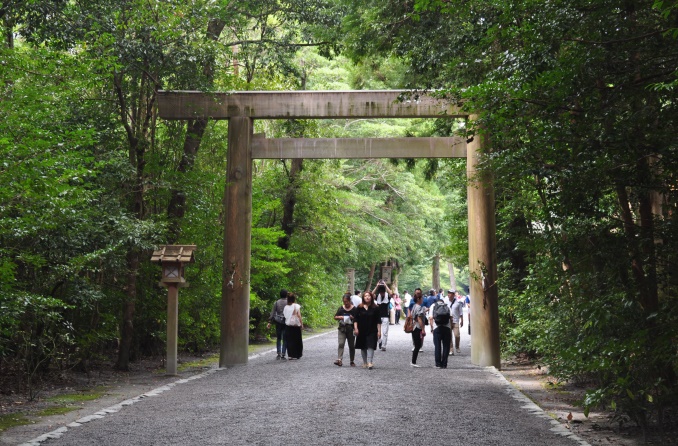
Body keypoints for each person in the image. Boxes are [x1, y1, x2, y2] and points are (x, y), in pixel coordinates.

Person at [353, 291, 381, 370]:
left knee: (371, 345)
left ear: (371, 297)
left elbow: (378, 320)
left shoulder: (376, 308)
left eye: (369, 296)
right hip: (361, 329)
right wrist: (356, 328)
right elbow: (355, 319)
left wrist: (379, 331)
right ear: (363, 298)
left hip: (372, 329)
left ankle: (370, 362)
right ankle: (364, 362)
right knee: (363, 346)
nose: (367, 297)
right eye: (365, 296)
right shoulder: (359, 307)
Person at [429, 293, 452, 368]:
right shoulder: (447, 306)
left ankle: (438, 364)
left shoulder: (433, 306)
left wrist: (432, 328)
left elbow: (431, 318)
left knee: (437, 346)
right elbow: (451, 318)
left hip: (437, 328)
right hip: (447, 328)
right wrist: (450, 328)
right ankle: (444, 364)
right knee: (446, 346)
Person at [334, 293, 357, 367]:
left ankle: (352, 360)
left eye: (347, 301)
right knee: (341, 343)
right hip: (342, 328)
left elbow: (357, 319)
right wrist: (341, 317)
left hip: (351, 328)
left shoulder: (354, 309)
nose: (346, 303)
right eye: (344, 301)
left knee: (351, 345)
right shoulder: (341, 308)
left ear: (350, 300)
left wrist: (352, 318)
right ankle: (339, 359)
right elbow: (335, 317)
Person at [266, 289, 288, 359]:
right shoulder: (289, 302)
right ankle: (283, 353)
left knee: (279, 338)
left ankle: (279, 352)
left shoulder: (276, 302)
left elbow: (272, 313)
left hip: (278, 321)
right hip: (286, 322)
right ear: (286, 295)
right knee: (285, 338)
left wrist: (269, 322)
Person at [372, 280, 393, 351]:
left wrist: (385, 285)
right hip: (377, 316)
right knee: (376, 332)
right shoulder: (377, 296)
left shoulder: (388, 296)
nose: (381, 294)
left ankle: (384, 345)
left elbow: (391, 293)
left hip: (385, 316)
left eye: (383, 292)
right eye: (380, 292)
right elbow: (371, 294)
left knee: (385, 332)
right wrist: (377, 286)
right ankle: (380, 341)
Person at [283, 293, 303, 360]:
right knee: (297, 340)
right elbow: (299, 315)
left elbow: (285, 316)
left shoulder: (285, 307)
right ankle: (297, 354)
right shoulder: (296, 306)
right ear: (294, 299)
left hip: (288, 325)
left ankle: (290, 355)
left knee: (289, 341)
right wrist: (301, 324)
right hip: (296, 326)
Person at [409, 290, 427, 367]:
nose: (422, 300)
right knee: (418, 345)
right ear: (419, 299)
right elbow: (419, 318)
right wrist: (423, 329)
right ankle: (413, 362)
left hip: (413, 326)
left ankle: (413, 361)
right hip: (417, 327)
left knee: (417, 345)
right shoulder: (419, 307)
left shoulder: (414, 306)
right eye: (421, 298)